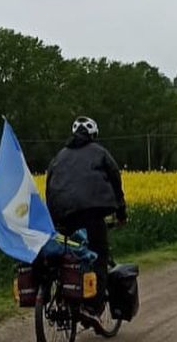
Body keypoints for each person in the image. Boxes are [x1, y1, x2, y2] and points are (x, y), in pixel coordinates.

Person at [45, 116, 127, 315]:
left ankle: (67, 298)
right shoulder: (99, 152)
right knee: (98, 254)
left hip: (62, 215)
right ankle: (93, 306)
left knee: (69, 254)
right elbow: (115, 178)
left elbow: (49, 186)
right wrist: (121, 211)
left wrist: (54, 219)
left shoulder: (59, 156)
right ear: (93, 135)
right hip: (92, 213)